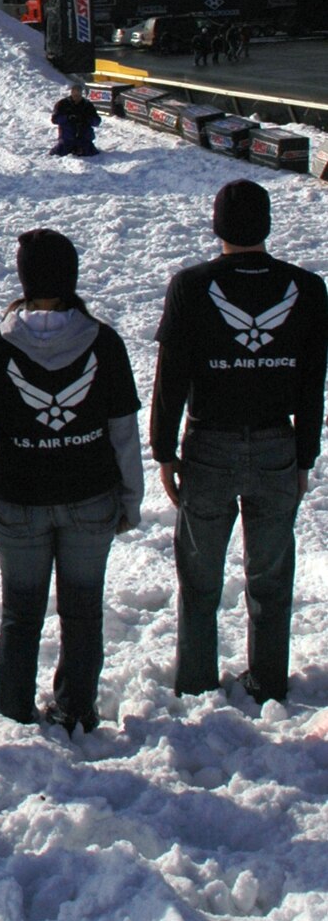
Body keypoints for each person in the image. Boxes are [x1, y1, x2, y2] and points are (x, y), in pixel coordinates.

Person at [151, 179, 328, 706]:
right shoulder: (307, 288)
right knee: (270, 579)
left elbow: (171, 378)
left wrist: (164, 451)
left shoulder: (191, 285)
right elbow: (313, 380)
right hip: (277, 444)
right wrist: (304, 455)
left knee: (200, 579)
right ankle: (269, 683)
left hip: (209, 447)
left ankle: (197, 682)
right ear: (267, 226)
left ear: (217, 226)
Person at [0, 229, 143, 733]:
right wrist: (131, 497)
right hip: (91, 498)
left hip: (19, 503)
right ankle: (75, 710)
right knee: (83, 613)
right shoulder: (103, 342)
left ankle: (12, 711)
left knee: (20, 613)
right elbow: (123, 431)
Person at [50, 80, 99, 157]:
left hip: (84, 138)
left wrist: (87, 119)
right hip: (67, 138)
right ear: (71, 93)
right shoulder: (62, 104)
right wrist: (68, 118)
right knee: (59, 152)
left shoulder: (87, 105)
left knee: (90, 153)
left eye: (79, 95)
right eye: (75, 95)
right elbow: (55, 119)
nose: (77, 98)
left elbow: (97, 121)